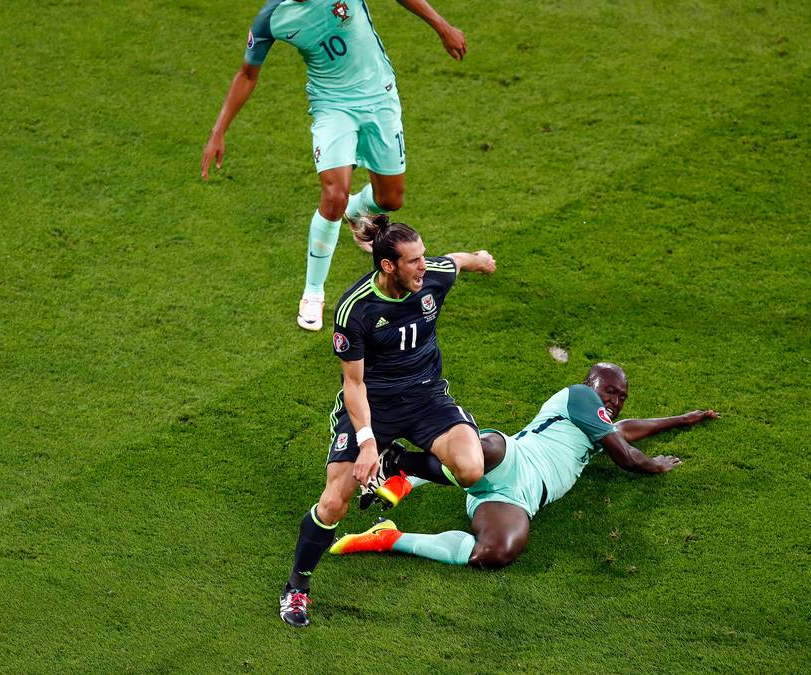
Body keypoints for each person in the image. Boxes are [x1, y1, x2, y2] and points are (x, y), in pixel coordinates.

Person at [278, 215, 496, 627]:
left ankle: (397, 463)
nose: (424, 266)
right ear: (388, 266)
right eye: (413, 261)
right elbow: (354, 384)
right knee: (333, 503)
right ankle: (297, 588)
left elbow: (455, 260)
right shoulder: (356, 309)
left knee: (471, 468)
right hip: (374, 407)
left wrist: (481, 259)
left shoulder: (432, 276)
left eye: (423, 256)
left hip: (428, 396)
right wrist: (366, 443)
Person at [201, 0, 468, 331]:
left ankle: (354, 209)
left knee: (390, 200)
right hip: (331, 106)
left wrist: (442, 27)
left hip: (379, 98)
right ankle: (313, 293)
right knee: (333, 192)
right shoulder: (272, 18)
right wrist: (219, 130)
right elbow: (247, 73)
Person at [328, 363, 720, 569]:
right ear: (590, 385)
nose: (617, 400)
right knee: (484, 450)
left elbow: (629, 430)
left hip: (520, 497)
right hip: (516, 458)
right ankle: (400, 466)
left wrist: (683, 419)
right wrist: (655, 466)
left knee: (495, 554)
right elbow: (628, 456)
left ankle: (388, 538)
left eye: (623, 396)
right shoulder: (581, 398)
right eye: (610, 390)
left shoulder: (601, 429)